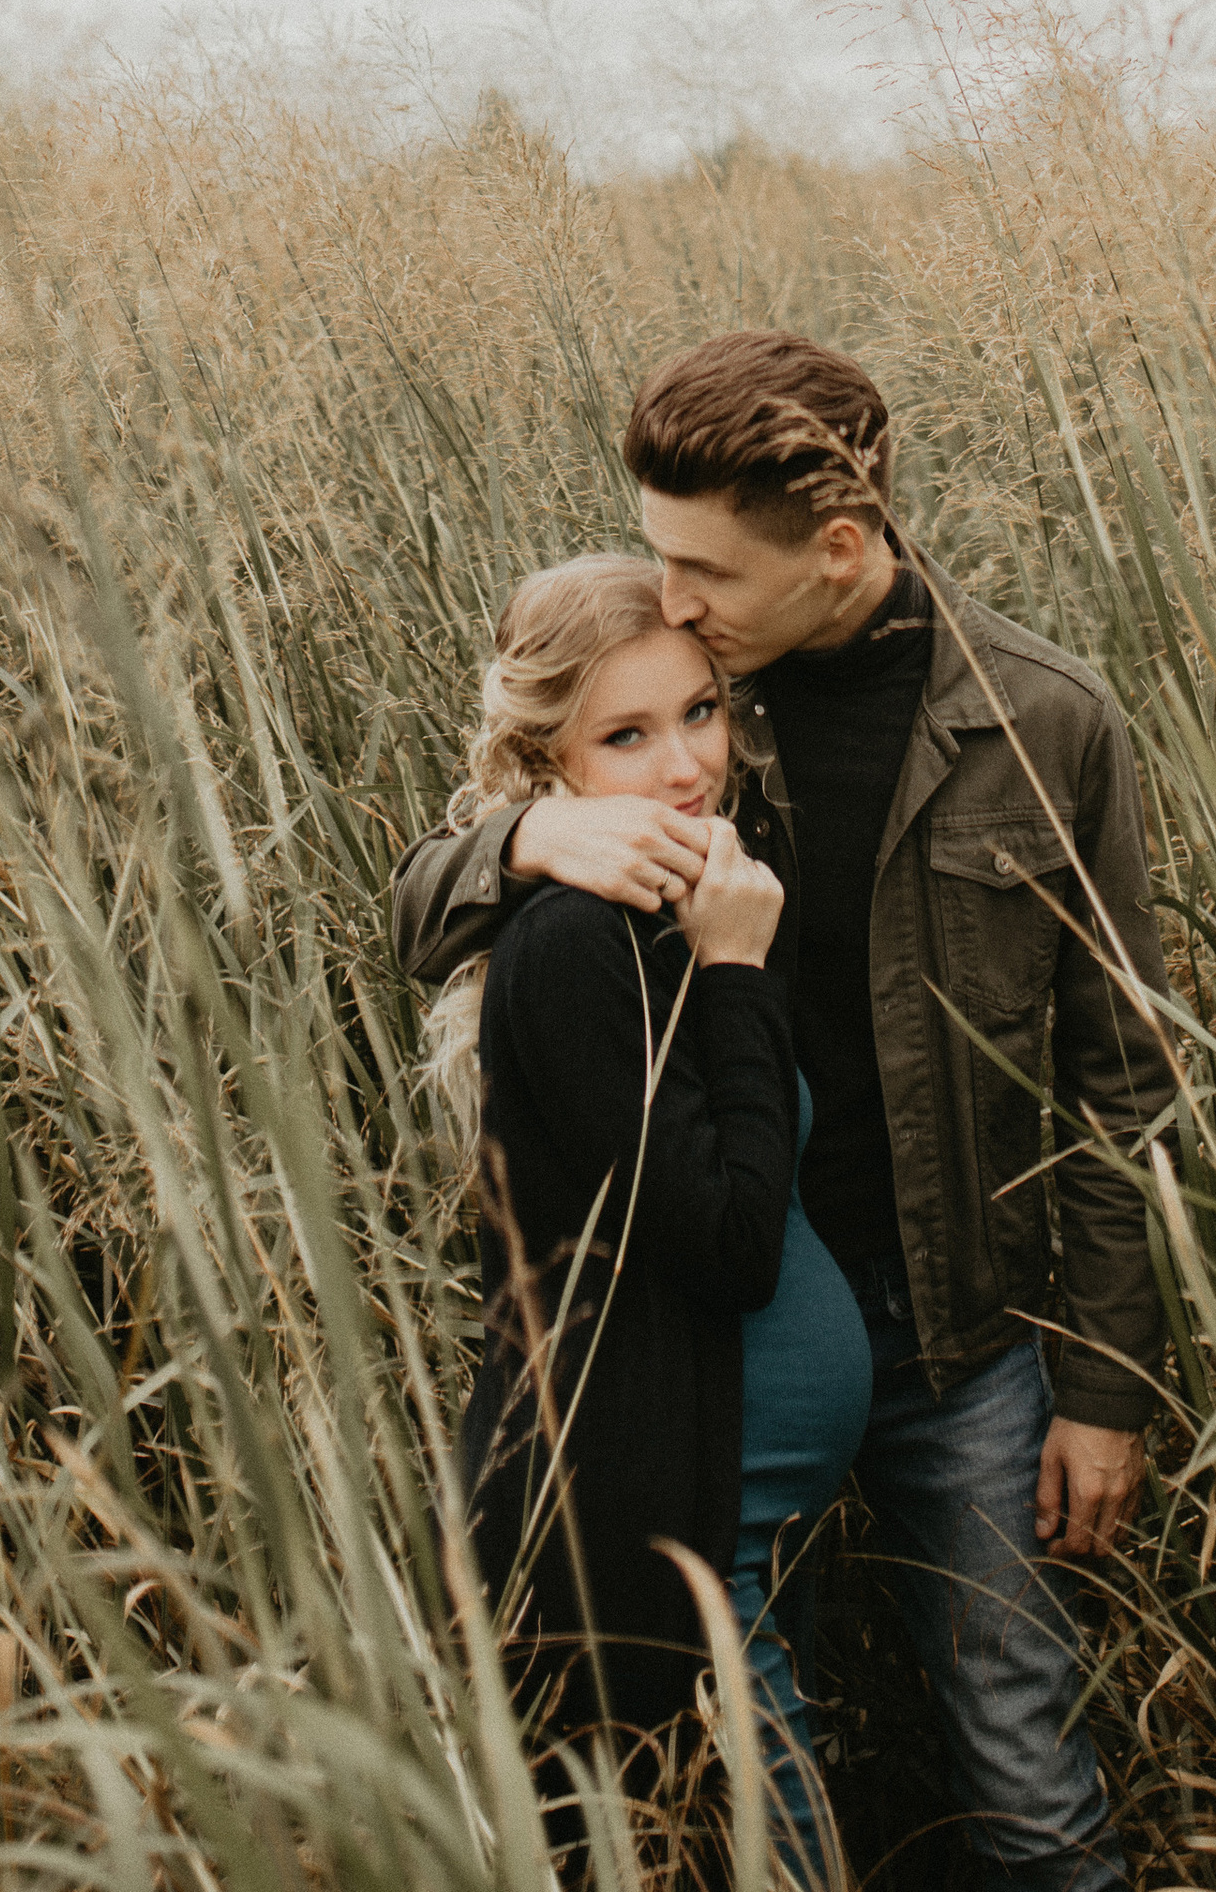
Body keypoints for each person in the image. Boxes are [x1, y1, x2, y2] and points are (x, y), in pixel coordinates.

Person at [396, 336, 1172, 1892]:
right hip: (722, 1339)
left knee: (1020, 1753)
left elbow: (1123, 1082)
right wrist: (532, 829)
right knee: (754, 1745)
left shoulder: (1044, 721)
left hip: (972, 1339)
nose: (671, 600)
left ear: (838, 548)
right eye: (660, 561)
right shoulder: (682, 709)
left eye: (703, 571)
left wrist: (1107, 1383)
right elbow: (425, 910)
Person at [429, 551, 870, 1873]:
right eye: (627, 734)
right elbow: (729, 1244)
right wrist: (737, 977)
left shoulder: (695, 888)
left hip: (721, 1536)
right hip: (662, 1535)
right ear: (546, 762)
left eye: (700, 711)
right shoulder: (576, 943)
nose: (685, 765)